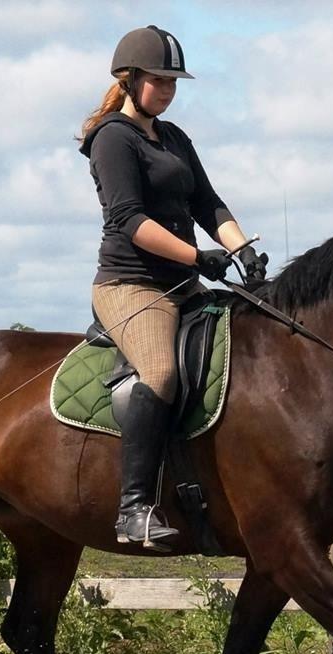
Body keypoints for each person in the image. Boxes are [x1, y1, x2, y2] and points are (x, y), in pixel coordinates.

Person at [79, 24, 268, 552]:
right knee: (160, 372)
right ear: (129, 79)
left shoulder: (176, 138)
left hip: (184, 286)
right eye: (158, 80)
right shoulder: (112, 139)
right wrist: (197, 256)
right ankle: (134, 508)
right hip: (132, 286)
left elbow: (208, 203)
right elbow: (129, 220)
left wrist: (241, 249)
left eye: (172, 82)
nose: (167, 90)